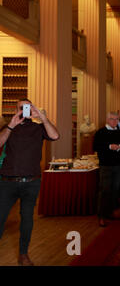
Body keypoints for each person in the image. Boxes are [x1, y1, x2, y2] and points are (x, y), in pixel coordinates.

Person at [0, 99, 60, 266]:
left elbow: (55, 136)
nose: (24, 111)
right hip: (7, 182)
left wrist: (42, 118)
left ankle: (23, 254)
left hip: (31, 182)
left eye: (28, 107)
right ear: (16, 110)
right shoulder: (8, 127)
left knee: (27, 219)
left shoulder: (38, 128)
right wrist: (11, 125)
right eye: (21, 108)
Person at [93, 112, 120, 227]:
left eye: (117, 119)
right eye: (113, 119)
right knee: (104, 191)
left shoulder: (117, 132)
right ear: (108, 119)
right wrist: (109, 146)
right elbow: (96, 147)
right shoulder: (100, 132)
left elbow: (119, 145)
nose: (115, 121)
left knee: (115, 190)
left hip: (117, 164)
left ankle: (110, 212)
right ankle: (101, 216)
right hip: (106, 165)